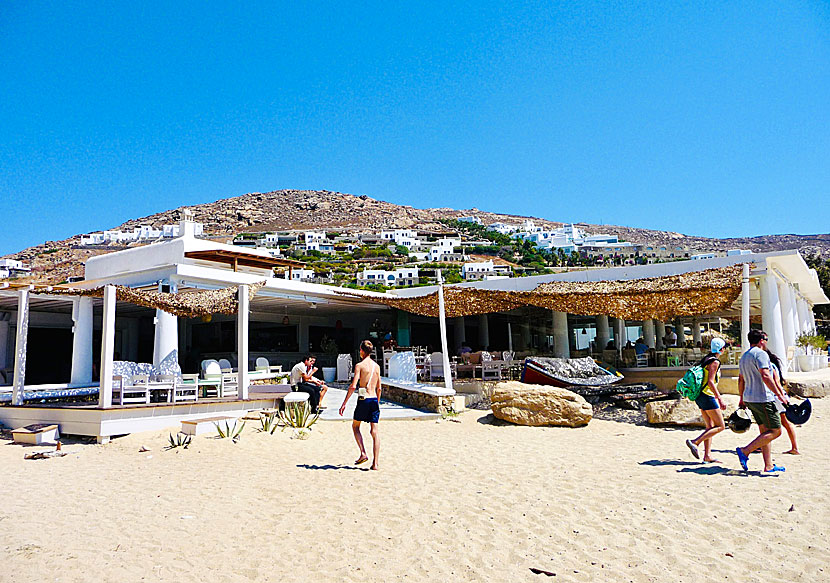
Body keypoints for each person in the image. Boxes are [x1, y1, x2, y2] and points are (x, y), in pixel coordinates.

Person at [735, 330, 790, 473]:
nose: (766, 342)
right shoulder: (761, 354)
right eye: (766, 339)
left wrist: (741, 398)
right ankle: (745, 451)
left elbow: (741, 380)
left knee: (764, 432)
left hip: (750, 398)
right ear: (761, 340)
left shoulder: (744, 356)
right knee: (776, 431)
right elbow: (766, 375)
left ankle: (768, 465)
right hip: (763, 398)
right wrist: (780, 395)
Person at [339, 340, 382, 470]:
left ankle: (363, 452)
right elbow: (379, 388)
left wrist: (344, 403)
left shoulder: (360, 366)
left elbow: (353, 386)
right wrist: (378, 402)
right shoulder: (377, 366)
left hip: (364, 399)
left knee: (356, 426)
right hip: (374, 399)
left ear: (361, 351)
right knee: (374, 431)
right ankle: (375, 463)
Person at [685, 338, 727, 462]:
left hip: (700, 395)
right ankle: (695, 442)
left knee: (710, 426)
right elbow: (710, 382)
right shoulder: (715, 362)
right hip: (707, 395)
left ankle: (707, 456)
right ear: (721, 349)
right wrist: (719, 398)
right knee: (720, 426)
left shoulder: (706, 359)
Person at [766, 350, 800, 455]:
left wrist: (781, 396)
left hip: (776, 397)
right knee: (783, 422)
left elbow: (776, 382)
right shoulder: (773, 366)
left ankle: (794, 447)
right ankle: (794, 447)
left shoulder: (770, 366)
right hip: (779, 396)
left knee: (782, 422)